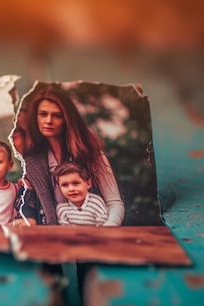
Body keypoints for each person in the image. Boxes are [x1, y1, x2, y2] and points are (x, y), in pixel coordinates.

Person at [14, 85, 124, 226]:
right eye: (43, 114)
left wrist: (108, 230)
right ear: (35, 118)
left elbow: (114, 203)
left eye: (57, 115)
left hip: (96, 232)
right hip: (54, 237)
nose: (48, 120)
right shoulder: (32, 161)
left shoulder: (91, 153)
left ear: (67, 119)